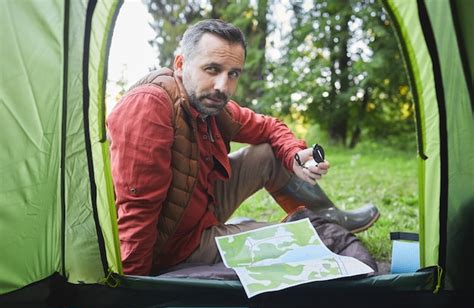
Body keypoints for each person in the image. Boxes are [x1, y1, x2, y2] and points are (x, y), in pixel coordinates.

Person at [107, 19, 380, 276]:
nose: (222, 86)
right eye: (211, 69)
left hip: (200, 205)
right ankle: (317, 230)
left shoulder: (209, 103)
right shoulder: (149, 108)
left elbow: (270, 126)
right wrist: (134, 289)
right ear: (180, 64)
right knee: (304, 240)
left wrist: (293, 155)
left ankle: (330, 216)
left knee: (268, 153)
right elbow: (135, 212)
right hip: (176, 245)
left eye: (233, 74)